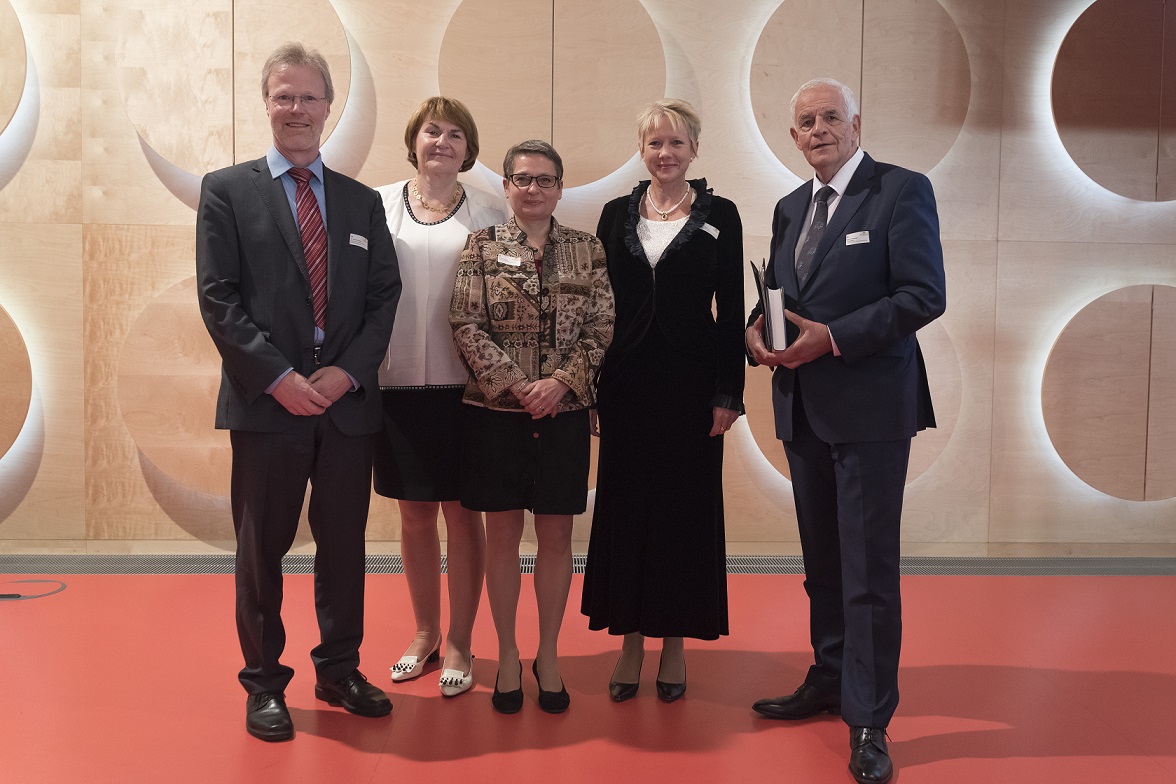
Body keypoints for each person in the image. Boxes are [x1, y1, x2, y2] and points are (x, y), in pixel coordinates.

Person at [196, 42, 401, 741]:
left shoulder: (361, 202)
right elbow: (219, 299)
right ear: (267, 102)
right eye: (284, 96)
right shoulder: (227, 191)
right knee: (262, 551)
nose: (297, 109)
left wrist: (348, 372)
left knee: (344, 547)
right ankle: (263, 684)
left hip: (346, 407)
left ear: (328, 106)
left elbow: (384, 297)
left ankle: (339, 670)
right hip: (267, 406)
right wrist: (278, 378)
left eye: (310, 96)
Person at [745, 78, 946, 784]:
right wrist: (756, 333)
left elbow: (923, 295)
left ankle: (869, 717)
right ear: (793, 137)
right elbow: (782, 296)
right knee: (824, 565)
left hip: (871, 411)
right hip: (802, 408)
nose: (819, 129)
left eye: (831, 116)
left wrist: (831, 338)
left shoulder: (901, 190)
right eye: (806, 121)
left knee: (867, 572)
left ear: (857, 125)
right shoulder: (789, 207)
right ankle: (830, 677)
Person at [581, 99, 744, 703]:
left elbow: (732, 307)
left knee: (683, 513)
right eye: (655, 143)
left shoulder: (721, 214)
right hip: (625, 384)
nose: (665, 153)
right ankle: (629, 641)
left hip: (692, 388)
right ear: (642, 150)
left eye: (676, 142)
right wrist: (590, 386)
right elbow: (596, 307)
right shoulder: (613, 214)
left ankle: (674, 643)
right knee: (626, 509)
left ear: (694, 149)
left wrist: (729, 391)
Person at [449, 140, 614, 714]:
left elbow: (602, 325)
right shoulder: (481, 245)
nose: (533, 189)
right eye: (522, 179)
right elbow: (465, 322)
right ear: (506, 187)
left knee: (556, 537)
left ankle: (548, 654)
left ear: (560, 188)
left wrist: (562, 383)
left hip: (564, 415)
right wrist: (520, 385)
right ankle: (508, 654)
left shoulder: (587, 249)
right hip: (497, 415)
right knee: (501, 536)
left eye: (545, 179)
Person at [373, 97, 508, 697]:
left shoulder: (489, 211)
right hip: (395, 381)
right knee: (413, 514)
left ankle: (459, 639)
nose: (443, 142)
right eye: (433, 131)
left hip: (467, 385)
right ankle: (425, 632)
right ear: (415, 140)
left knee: (461, 512)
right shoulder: (377, 205)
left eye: (456, 134)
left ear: (468, 149)